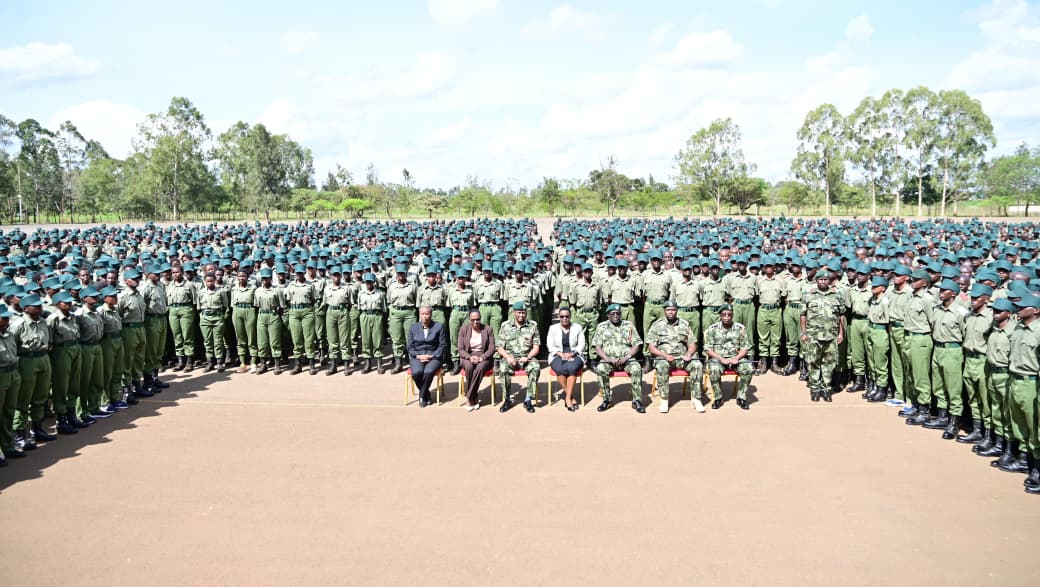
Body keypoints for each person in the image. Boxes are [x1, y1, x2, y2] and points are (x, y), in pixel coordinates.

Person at [647, 300, 704, 413]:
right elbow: (651, 347)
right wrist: (664, 355)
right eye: (668, 310)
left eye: (673, 310)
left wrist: (688, 354)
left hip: (683, 358)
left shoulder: (684, 324)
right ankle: (664, 399)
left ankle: (697, 399)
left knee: (697, 365)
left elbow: (692, 344)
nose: (671, 312)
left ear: (677, 311)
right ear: (664, 311)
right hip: (665, 358)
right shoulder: (657, 325)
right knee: (662, 366)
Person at [801, 270, 846, 403]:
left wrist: (841, 333)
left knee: (829, 363)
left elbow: (841, 316)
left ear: (829, 281)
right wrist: (803, 332)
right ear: (816, 280)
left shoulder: (836, 295)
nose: (823, 282)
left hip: (831, 336)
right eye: (820, 279)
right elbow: (803, 314)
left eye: (825, 280)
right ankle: (815, 389)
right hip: (813, 335)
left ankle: (826, 389)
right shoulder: (808, 295)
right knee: (813, 362)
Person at [592, 303, 644, 413]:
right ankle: (607, 399)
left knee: (636, 368)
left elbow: (636, 345)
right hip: (608, 360)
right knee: (601, 369)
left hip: (626, 360)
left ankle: (637, 400)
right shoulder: (601, 327)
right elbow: (597, 347)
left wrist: (627, 357)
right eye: (613, 314)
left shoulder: (628, 325)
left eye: (618, 313)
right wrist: (608, 359)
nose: (616, 315)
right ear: (608, 315)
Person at [704, 304, 753, 409]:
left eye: (729, 315)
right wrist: (721, 359)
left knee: (748, 368)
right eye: (724, 314)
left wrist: (737, 358)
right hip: (719, 359)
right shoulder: (713, 329)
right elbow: (708, 349)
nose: (727, 317)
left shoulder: (740, 328)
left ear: (732, 315)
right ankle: (718, 397)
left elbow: (745, 347)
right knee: (713, 369)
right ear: (720, 316)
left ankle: (742, 397)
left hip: (736, 358)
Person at [496, 301, 541, 413]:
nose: (521, 315)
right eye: (519, 312)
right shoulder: (505, 326)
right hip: (511, 358)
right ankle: (507, 399)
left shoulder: (532, 326)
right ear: (513, 312)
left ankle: (528, 399)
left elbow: (536, 347)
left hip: (526, 358)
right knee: (502, 368)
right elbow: (499, 347)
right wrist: (507, 357)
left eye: (523, 313)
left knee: (535, 367)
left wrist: (528, 356)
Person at [407, 306, 447, 408]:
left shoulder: (438, 327)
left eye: (427, 314)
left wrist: (432, 356)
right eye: (422, 314)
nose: (424, 316)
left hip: (433, 356)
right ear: (419, 315)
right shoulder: (413, 327)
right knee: (417, 372)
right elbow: (410, 347)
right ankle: (426, 393)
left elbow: (443, 345)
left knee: (428, 372)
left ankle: (422, 395)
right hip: (418, 356)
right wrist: (418, 355)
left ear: (431, 315)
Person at [547, 306, 585, 412]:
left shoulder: (577, 328)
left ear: (570, 317)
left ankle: (567, 398)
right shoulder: (553, 328)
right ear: (559, 317)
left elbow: (581, 344)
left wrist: (572, 354)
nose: (564, 318)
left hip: (575, 354)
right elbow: (550, 345)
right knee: (560, 370)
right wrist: (559, 353)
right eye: (562, 316)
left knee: (572, 369)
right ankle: (571, 396)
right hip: (557, 355)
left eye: (567, 316)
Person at [0, 304, 21, 464]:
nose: (7, 320)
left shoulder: (9, 334)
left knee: (9, 412)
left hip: (13, 373)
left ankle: (8, 446)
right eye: (4, 317)